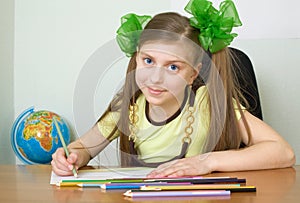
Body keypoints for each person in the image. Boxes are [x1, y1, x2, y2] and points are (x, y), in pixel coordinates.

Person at [51, 0, 295, 177]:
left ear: (193, 73)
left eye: (173, 67)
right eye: (148, 61)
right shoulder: (127, 108)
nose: (156, 78)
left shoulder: (207, 102)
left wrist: (207, 162)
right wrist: (71, 157)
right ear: (136, 59)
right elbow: (83, 148)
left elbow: (283, 152)